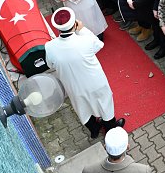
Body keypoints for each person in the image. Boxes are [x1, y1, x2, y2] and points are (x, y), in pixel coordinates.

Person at [46, 8, 124, 138]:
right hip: (95, 82)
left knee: (82, 108)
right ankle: (111, 130)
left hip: (73, 86)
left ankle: (94, 130)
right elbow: (99, 45)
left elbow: (50, 64)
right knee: (105, 104)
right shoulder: (85, 39)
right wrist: (82, 30)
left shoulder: (49, 47)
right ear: (74, 24)